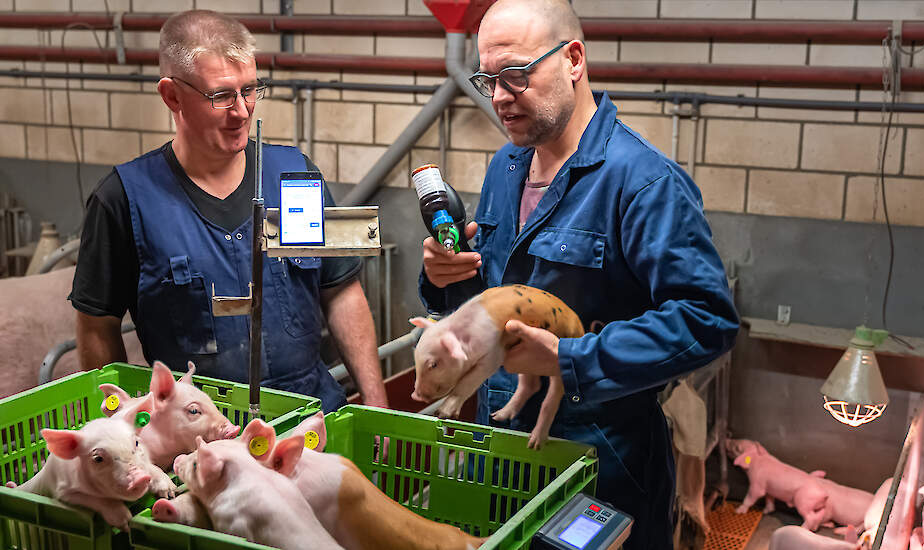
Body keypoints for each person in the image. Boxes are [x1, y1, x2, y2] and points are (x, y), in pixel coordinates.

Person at [418, 1, 739, 547]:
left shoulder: (643, 183)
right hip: (500, 437)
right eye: (487, 78)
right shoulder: (507, 167)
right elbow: (493, 295)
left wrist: (570, 358)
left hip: (600, 455)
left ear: (573, 59)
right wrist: (444, 278)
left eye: (515, 74)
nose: (497, 96)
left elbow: (706, 319)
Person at [70, 10, 387, 412]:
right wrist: (121, 428)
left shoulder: (293, 178)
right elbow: (97, 326)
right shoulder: (124, 199)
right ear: (172, 96)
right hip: (200, 441)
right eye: (221, 96)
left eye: (251, 89)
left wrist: (374, 401)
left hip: (310, 421)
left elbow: (339, 291)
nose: (242, 111)